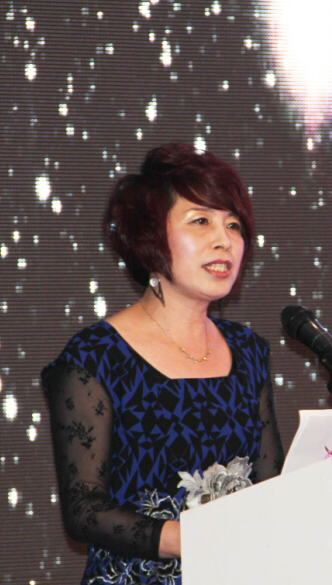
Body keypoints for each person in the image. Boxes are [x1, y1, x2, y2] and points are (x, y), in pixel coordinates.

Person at [42, 143, 284, 585]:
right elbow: (84, 510)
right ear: (150, 237)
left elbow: (271, 484)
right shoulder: (95, 356)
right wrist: (193, 537)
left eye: (234, 225)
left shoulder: (248, 350)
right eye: (201, 221)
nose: (224, 240)